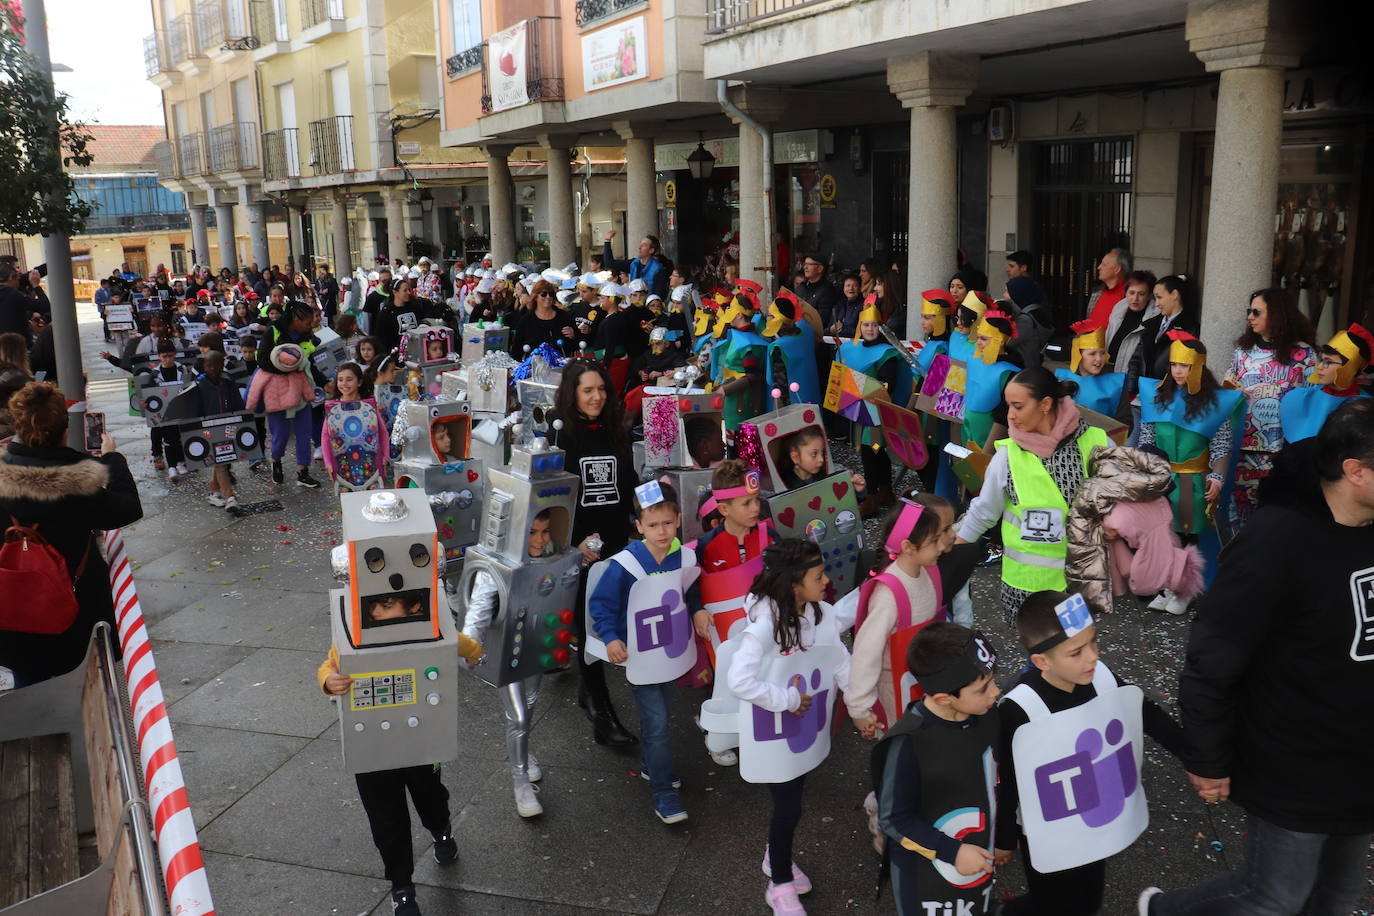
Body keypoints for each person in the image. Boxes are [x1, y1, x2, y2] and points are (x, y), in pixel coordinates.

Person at [1139, 399, 1374, 916]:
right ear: (1355, 472)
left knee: (1336, 899)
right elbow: (1214, 655)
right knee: (1274, 895)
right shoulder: (1275, 541)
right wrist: (1208, 754)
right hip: (1293, 761)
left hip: (1360, 766)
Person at [996, 590, 1185, 916]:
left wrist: (1197, 756)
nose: (1092, 657)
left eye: (1093, 642)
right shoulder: (1018, 709)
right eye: (1076, 652)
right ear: (1042, 661)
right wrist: (1003, 836)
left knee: (1087, 900)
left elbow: (1145, 713)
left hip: (1092, 816)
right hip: (1046, 830)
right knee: (1051, 904)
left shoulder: (1102, 678)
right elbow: (1009, 781)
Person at [317, 611, 480, 916]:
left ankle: (440, 829)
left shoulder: (423, 626)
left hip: (419, 741)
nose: (383, 611)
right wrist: (328, 680)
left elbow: (457, 642)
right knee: (385, 818)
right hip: (372, 748)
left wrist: (474, 653)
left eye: (392, 604)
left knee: (430, 794)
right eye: (380, 605)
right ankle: (401, 884)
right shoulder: (355, 634)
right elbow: (330, 664)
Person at [726, 538, 850, 916]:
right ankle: (779, 884)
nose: (826, 580)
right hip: (772, 728)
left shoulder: (820, 614)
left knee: (793, 799)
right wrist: (789, 700)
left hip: (802, 727)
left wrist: (861, 702)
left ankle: (774, 856)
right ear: (795, 583)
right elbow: (739, 681)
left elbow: (838, 658)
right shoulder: (766, 625)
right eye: (818, 575)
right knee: (788, 805)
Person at [0, 382, 142, 685]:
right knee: (90, 689)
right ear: (64, 430)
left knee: (29, 684)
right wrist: (112, 459)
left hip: (15, 612)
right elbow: (126, 509)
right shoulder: (78, 480)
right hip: (77, 611)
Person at [956, 367, 1109, 623]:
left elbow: (1122, 497)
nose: (1011, 416)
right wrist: (952, 550)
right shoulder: (1007, 454)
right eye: (1008, 407)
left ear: (1045, 404)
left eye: (1018, 406)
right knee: (1043, 656)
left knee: (1072, 653)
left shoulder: (1096, 442)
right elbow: (984, 511)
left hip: (1079, 584)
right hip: (1027, 590)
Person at [588, 481, 700, 825]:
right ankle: (664, 794)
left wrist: (698, 611)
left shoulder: (685, 556)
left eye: (667, 523)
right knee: (658, 725)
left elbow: (690, 591)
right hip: (640, 655)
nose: (661, 531)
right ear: (639, 527)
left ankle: (653, 766)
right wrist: (610, 637)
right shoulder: (625, 564)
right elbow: (601, 604)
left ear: (678, 519)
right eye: (652, 525)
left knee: (663, 714)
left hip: (671, 651)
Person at [871, 623, 1000, 916]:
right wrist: (952, 851)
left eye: (993, 680)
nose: (995, 692)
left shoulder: (986, 715)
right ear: (944, 698)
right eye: (983, 687)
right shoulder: (908, 743)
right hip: (926, 880)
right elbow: (894, 819)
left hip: (975, 859)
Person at [551, 360, 639, 748]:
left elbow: (630, 482)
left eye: (601, 389)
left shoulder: (616, 429)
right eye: (587, 390)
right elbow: (551, 498)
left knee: (615, 620)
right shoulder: (559, 436)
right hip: (583, 549)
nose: (596, 397)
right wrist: (574, 543)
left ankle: (590, 692)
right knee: (591, 629)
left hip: (619, 542)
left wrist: (654, 512)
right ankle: (602, 715)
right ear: (572, 393)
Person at [463, 510, 557, 818]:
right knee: (517, 716)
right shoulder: (495, 567)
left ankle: (524, 751)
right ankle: (520, 784)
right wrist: (470, 645)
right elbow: (477, 610)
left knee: (529, 704)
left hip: (536, 643)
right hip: (506, 650)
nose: (540, 540)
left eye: (544, 532)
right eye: (532, 533)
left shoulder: (551, 553)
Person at [848, 499, 948, 734]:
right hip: (895, 687)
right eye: (934, 541)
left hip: (924, 679)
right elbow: (866, 653)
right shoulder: (889, 595)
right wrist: (859, 709)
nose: (942, 546)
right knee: (901, 742)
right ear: (908, 547)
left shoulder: (929, 571)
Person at [1137, 332, 1241, 553]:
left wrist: (1217, 477)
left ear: (1197, 366)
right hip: (1159, 479)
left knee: (1187, 542)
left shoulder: (1214, 402)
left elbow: (1221, 445)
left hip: (1192, 485)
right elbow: (1146, 439)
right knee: (1156, 540)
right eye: (1173, 364)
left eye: (1184, 365)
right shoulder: (1155, 395)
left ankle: (1181, 584)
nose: (1177, 371)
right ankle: (1160, 585)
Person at [1224, 287, 1316, 532]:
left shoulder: (1305, 354)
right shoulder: (1243, 353)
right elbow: (1226, 388)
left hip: (1284, 452)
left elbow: (1314, 403)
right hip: (1244, 449)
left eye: (1256, 312)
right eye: (1249, 311)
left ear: (1276, 314)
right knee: (1241, 515)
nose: (1250, 317)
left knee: (1277, 517)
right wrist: (1232, 394)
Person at [838, 298, 912, 516]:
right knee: (872, 453)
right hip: (858, 409)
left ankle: (871, 497)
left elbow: (888, 384)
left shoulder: (886, 353)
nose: (870, 329)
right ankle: (885, 491)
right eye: (866, 325)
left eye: (874, 325)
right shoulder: (852, 349)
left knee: (874, 452)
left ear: (881, 327)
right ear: (860, 326)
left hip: (877, 410)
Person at [248, 301, 324, 488]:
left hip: (300, 390)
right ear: (296, 319)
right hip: (277, 392)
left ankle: (303, 472)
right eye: (307, 322)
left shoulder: (307, 336)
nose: (310, 326)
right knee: (279, 434)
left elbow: (312, 364)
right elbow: (263, 360)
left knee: (304, 432)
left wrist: (325, 382)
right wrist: (289, 366)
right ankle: (276, 462)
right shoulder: (272, 332)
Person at [1280, 322, 1373, 443]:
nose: (1320, 367)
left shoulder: (1364, 407)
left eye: (1328, 362)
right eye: (1321, 360)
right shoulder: (1300, 398)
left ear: (1349, 368)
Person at [961, 307, 1022, 454]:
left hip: (989, 445)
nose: (978, 343)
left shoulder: (1010, 373)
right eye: (978, 337)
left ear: (1000, 341)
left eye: (984, 339)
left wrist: (986, 454)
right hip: (967, 436)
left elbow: (1003, 418)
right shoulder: (975, 362)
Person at [189, 351, 245, 510]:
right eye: (208, 365)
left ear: (222, 365)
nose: (212, 368)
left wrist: (241, 419)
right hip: (209, 428)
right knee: (221, 461)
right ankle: (230, 497)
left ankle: (214, 493)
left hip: (228, 426)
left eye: (216, 364)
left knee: (223, 460)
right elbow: (195, 408)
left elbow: (237, 403)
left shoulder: (228, 382)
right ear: (204, 366)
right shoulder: (199, 385)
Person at [321, 362, 388, 492]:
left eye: (349, 379)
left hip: (372, 462)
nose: (344, 384)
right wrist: (328, 463)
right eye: (340, 380)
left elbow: (382, 432)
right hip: (342, 464)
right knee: (348, 503)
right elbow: (325, 437)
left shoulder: (368, 406)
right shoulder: (333, 408)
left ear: (359, 382)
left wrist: (386, 456)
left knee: (373, 501)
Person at [1133, 274, 1199, 384]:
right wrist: (1132, 389)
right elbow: (1135, 360)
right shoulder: (1151, 324)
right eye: (1155, 298)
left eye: (1159, 297)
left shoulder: (1189, 328)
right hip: (1144, 392)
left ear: (1174, 294)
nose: (1157, 304)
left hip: (1169, 394)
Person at [1055, 317, 1126, 418]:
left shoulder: (1116, 384)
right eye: (1092, 354)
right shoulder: (1060, 379)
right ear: (1077, 355)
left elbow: (1124, 422)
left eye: (1102, 353)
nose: (1099, 359)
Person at [775, 426, 864, 494]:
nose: (821, 459)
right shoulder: (785, 487)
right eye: (814, 454)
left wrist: (857, 490)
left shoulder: (826, 476)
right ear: (795, 457)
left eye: (822, 453)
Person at [509, 280, 575, 356]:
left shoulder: (564, 317)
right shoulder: (526, 320)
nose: (548, 297)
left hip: (560, 365)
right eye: (543, 294)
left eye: (551, 294)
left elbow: (573, 346)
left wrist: (573, 335)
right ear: (535, 296)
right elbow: (516, 349)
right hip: (534, 365)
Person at [602, 229, 670, 299]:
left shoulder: (659, 269)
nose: (639, 247)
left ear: (651, 250)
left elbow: (659, 295)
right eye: (640, 244)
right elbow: (609, 263)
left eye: (644, 245)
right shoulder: (634, 263)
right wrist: (607, 240)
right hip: (634, 303)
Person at [1086, 247, 1130, 327]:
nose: (1099, 267)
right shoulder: (1097, 292)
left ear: (1117, 269)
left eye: (1104, 264)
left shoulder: (1130, 296)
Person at [795, 254, 839, 323]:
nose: (805, 267)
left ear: (820, 268)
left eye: (809, 264)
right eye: (805, 264)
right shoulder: (802, 286)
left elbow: (822, 320)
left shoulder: (827, 290)